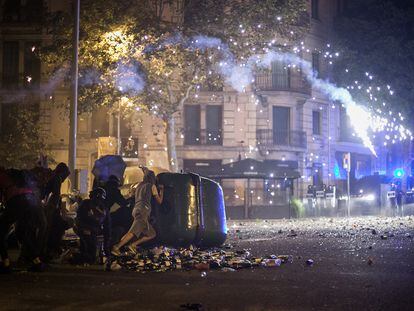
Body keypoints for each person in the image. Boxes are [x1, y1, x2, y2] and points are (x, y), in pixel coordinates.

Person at [0, 168, 46, 273]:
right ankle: (37, 262)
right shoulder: (14, 176)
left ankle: (5, 263)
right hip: (29, 201)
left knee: (0, 230)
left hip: (16, 202)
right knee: (23, 233)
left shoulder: (2, 176)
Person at [111, 168, 163, 256]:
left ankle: (133, 245)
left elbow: (131, 195)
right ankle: (116, 247)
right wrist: (162, 190)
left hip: (136, 209)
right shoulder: (152, 186)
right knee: (133, 232)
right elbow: (159, 201)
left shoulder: (139, 185)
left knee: (151, 233)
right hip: (143, 210)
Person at [72, 188, 107, 265]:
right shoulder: (86, 204)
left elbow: (101, 218)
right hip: (85, 228)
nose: (100, 200)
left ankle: (86, 257)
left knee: (89, 246)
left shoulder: (99, 206)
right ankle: (83, 258)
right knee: (88, 246)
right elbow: (81, 217)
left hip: (92, 229)